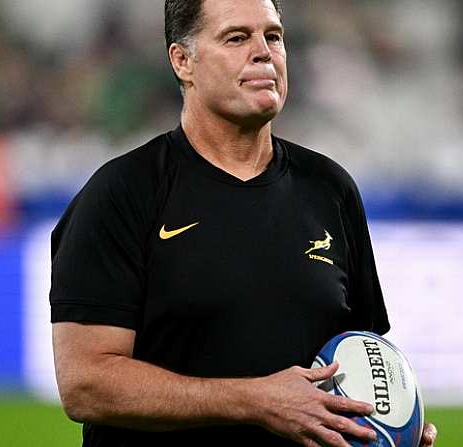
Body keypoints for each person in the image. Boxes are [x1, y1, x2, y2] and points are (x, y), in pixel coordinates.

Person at [50, 1, 439, 446]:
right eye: (237, 38)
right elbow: (86, 384)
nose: (264, 52)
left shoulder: (330, 189)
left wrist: (388, 431)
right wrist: (255, 401)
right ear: (183, 61)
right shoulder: (122, 193)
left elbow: (363, 358)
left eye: (273, 37)